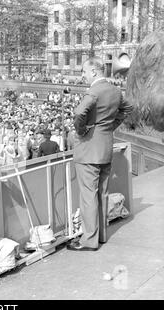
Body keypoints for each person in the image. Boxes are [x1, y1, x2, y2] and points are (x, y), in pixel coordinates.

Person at [67, 57, 133, 251]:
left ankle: (89, 241)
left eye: (84, 72)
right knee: (102, 193)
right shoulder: (115, 90)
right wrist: (111, 125)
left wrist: (80, 131)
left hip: (88, 150)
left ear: (94, 71)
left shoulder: (93, 92)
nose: (83, 76)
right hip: (105, 149)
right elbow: (128, 108)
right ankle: (102, 235)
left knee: (88, 197)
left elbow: (79, 113)